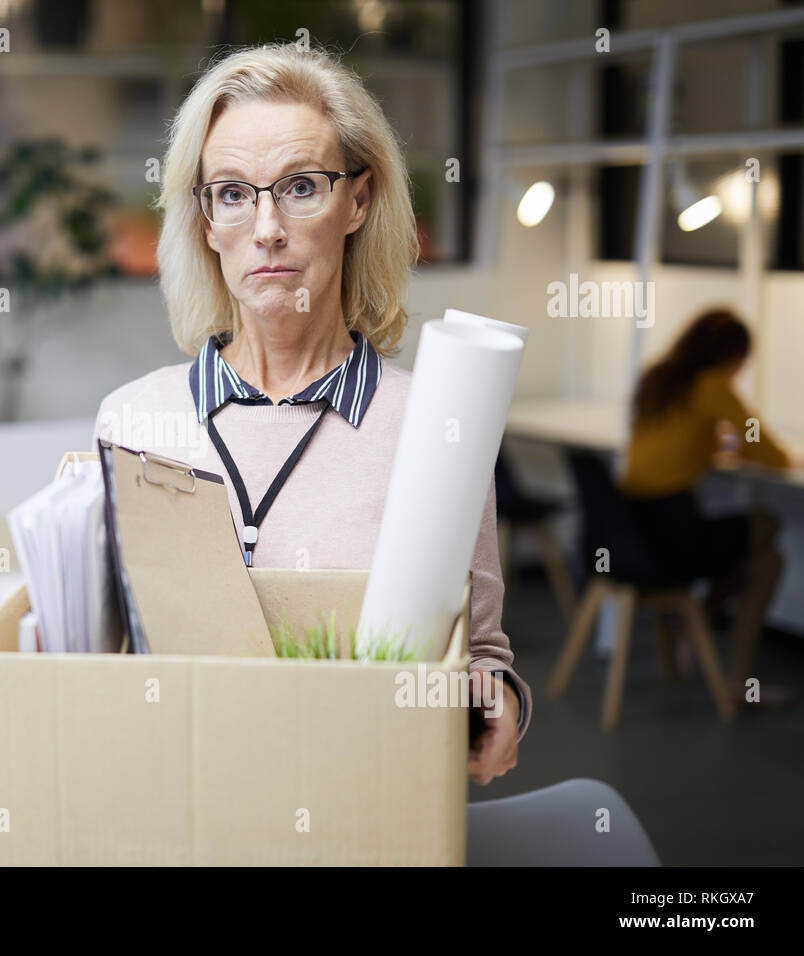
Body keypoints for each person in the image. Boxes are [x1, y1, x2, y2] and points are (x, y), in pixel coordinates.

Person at [91, 43, 528, 785]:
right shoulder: (131, 420)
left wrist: (497, 703)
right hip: (175, 805)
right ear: (203, 218)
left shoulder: (434, 424)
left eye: (300, 187)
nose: (266, 228)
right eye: (232, 192)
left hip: (362, 807)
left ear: (358, 200)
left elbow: (480, 653)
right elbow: (96, 651)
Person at [621, 307, 803, 705]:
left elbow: (675, 438)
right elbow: (763, 445)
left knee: (764, 560)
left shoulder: (658, 380)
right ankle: (733, 677)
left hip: (633, 529)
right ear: (731, 356)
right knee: (767, 536)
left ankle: (698, 622)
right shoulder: (711, 386)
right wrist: (780, 457)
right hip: (672, 532)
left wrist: (714, 444)